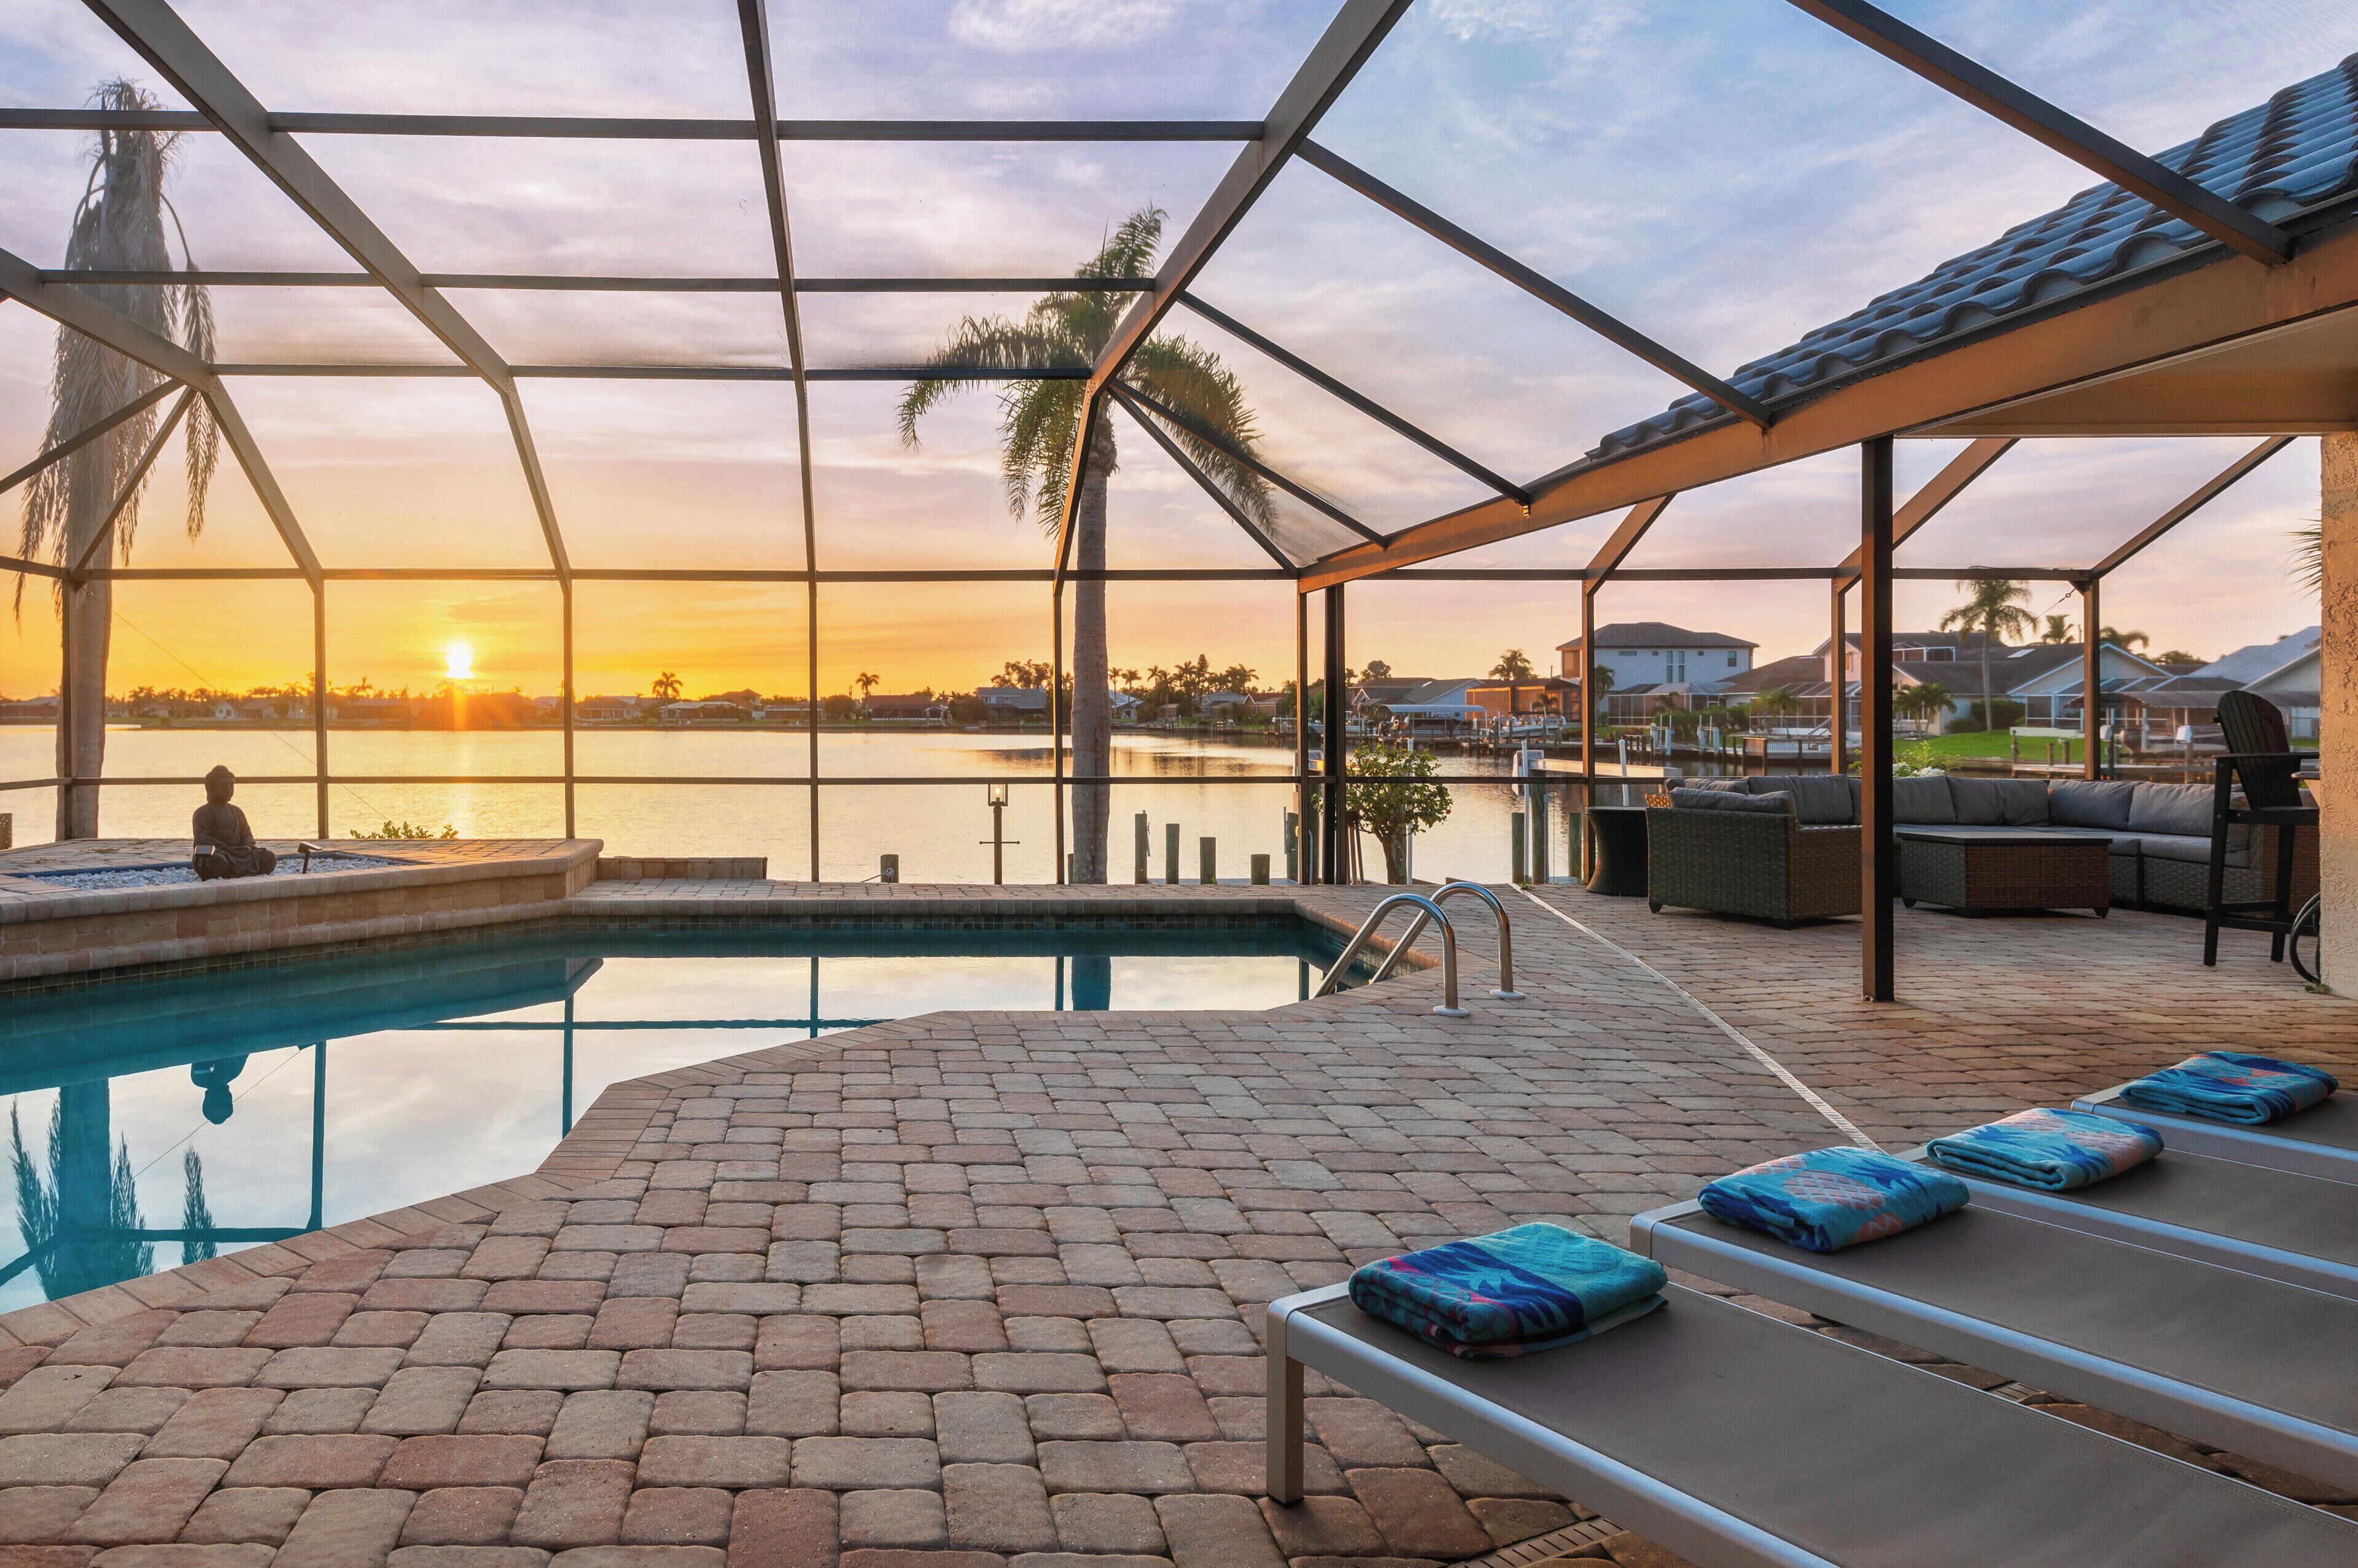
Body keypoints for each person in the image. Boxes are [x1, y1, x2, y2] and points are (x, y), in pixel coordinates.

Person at [191, 766, 276, 880]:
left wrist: (246, 846)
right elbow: (203, 839)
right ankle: (233, 871)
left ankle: (236, 872)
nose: (229, 789)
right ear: (211, 788)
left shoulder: (237, 811)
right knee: (217, 862)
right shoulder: (202, 813)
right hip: (220, 853)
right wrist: (226, 848)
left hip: (240, 853)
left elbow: (247, 834)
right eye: (223, 785)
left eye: (232, 785)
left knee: (269, 858)